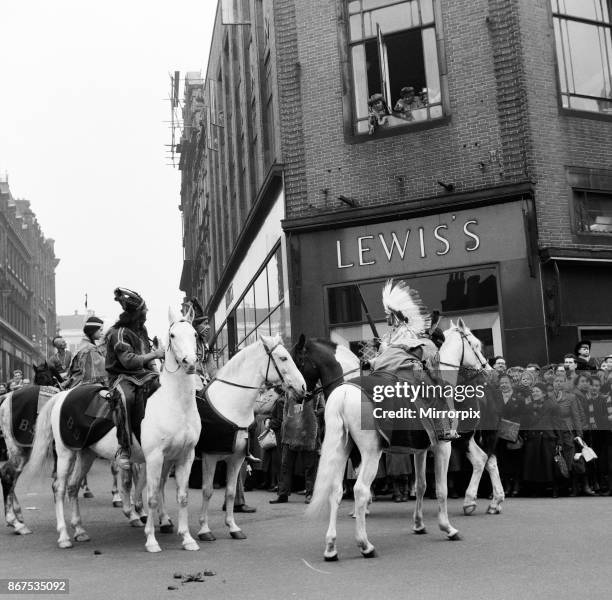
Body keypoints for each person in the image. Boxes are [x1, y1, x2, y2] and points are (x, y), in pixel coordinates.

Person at [105, 287, 164, 470]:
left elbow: (146, 354)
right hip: (122, 376)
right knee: (126, 398)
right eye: (144, 312)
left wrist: (157, 371)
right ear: (136, 314)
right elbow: (128, 361)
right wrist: (155, 354)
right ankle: (123, 448)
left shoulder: (142, 330)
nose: (146, 315)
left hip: (144, 374)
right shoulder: (119, 333)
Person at [269, 389, 320, 504]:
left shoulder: (314, 389)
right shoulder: (290, 390)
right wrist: (286, 423)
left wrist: (310, 412)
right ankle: (283, 494)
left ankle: (310, 494)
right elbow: (286, 410)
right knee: (285, 465)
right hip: (290, 432)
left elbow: (320, 408)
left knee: (310, 466)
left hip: (307, 432)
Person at [522, 383, 561, 497]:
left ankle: (555, 489)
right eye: (533, 391)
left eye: (537, 391)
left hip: (547, 437)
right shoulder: (528, 406)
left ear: (543, 393)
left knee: (549, 464)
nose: (534, 393)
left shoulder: (552, 405)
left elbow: (558, 424)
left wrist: (559, 441)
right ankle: (537, 489)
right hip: (533, 438)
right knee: (534, 464)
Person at [65, 316, 107, 388]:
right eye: (100, 330)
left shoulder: (84, 344)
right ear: (93, 330)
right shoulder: (90, 348)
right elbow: (102, 368)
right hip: (83, 383)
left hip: (75, 380)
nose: (102, 333)